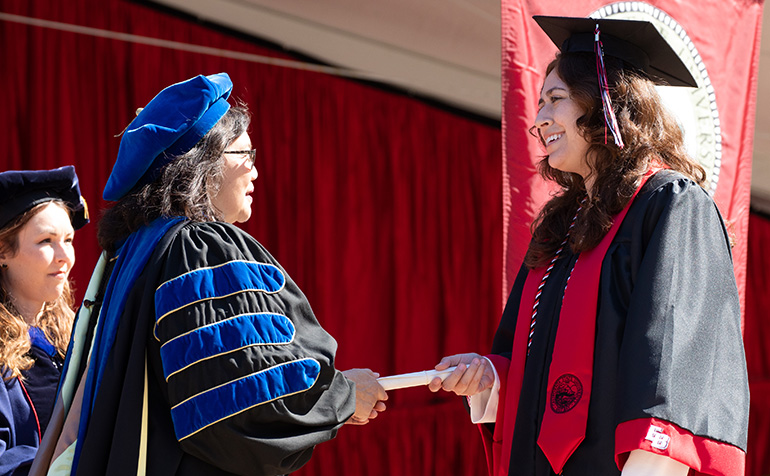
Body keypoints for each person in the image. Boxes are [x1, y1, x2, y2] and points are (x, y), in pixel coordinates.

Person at [428, 16, 749, 476]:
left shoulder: (672, 208)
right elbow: (528, 364)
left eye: (555, 99)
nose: (539, 120)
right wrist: (489, 376)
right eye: (539, 104)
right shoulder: (559, 231)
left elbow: (673, 378)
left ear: (607, 104)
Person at [30, 73, 387, 476]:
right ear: (207, 161)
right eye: (246, 153)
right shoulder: (198, 247)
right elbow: (238, 400)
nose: (255, 170)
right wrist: (341, 397)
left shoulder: (132, 252)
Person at [0, 166, 89, 475]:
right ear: (3, 252)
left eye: (69, 239)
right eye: (46, 241)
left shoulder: (76, 335)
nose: (65, 255)